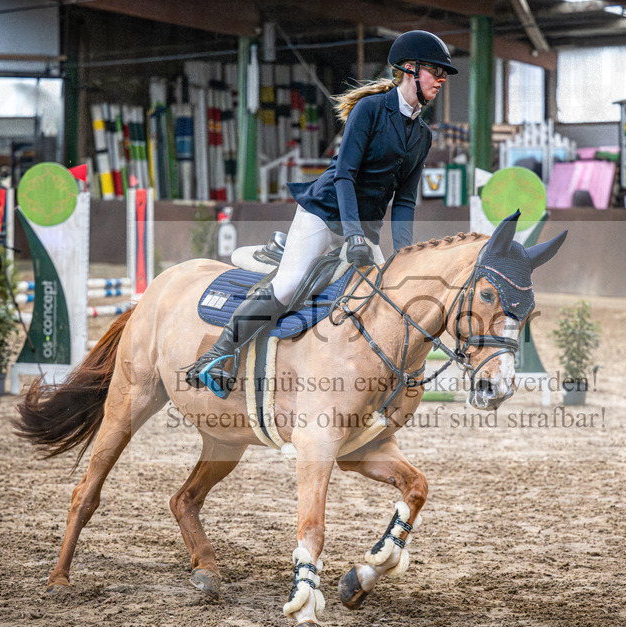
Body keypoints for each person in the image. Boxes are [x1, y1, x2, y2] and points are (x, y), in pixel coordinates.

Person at [186, 30, 457, 392]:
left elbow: (405, 200)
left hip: (365, 228)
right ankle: (218, 353)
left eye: (442, 74)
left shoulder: (423, 134)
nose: (440, 80)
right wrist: (353, 232)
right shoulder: (371, 109)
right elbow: (345, 175)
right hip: (325, 212)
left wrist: (405, 253)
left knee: (387, 296)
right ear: (410, 69)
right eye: (435, 72)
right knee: (291, 283)